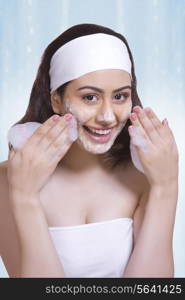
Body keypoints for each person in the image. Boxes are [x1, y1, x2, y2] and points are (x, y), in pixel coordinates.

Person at [0, 23, 179, 278]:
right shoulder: (8, 180)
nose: (107, 117)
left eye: (120, 97)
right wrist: (24, 196)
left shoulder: (143, 175)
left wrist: (167, 186)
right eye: (90, 97)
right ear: (57, 101)